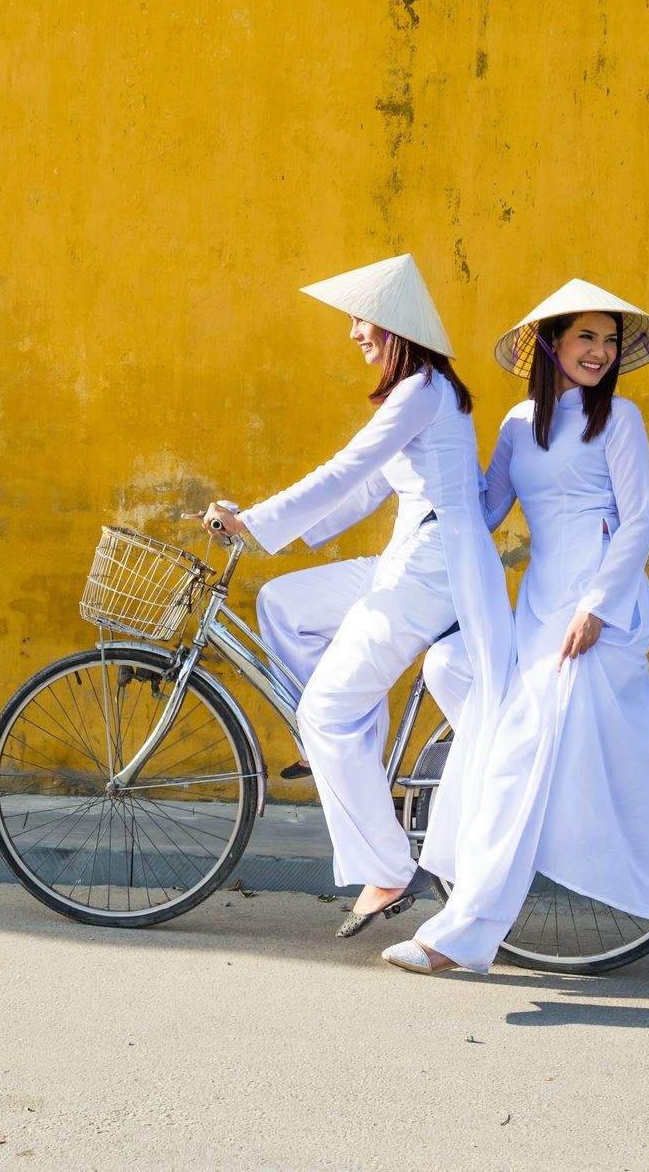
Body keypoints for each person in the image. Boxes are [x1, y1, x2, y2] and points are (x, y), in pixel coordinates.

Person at [387, 278, 649, 974]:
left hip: (596, 608)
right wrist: (424, 464)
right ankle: (525, 821)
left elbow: (639, 524)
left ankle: (467, 931)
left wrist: (596, 605)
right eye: (586, 336)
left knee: (516, 748)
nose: (600, 351)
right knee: (451, 672)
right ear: (549, 343)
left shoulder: (619, 419)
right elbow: (486, 508)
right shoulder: (514, 425)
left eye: (609, 339)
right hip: (536, 605)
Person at [202, 253, 514, 939]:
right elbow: (371, 486)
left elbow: (349, 467)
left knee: (327, 709)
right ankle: (346, 741)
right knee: (283, 604)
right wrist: (265, 530)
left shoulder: (421, 390)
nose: (353, 334)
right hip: (408, 559)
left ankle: (388, 866)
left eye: (361, 319)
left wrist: (253, 520)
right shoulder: (424, 393)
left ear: (395, 326)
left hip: (431, 570)